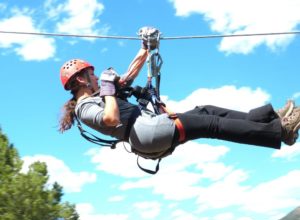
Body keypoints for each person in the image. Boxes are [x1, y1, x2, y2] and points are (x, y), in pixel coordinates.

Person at [59, 27, 300, 162]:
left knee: (207, 111)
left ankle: (271, 119)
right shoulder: (85, 107)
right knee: (211, 125)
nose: (95, 77)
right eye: (91, 74)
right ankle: (280, 133)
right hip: (146, 134)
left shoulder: (102, 94)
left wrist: (145, 47)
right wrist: (109, 88)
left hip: (150, 128)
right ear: (81, 79)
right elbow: (110, 119)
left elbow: (127, 77)